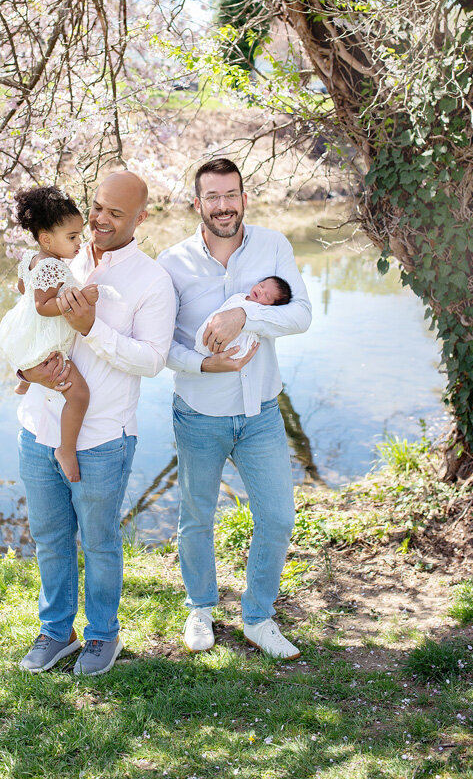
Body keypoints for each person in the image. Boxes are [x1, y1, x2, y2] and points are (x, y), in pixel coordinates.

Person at [16, 171, 176, 677]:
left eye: (116, 214)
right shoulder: (62, 253)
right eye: (98, 207)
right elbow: (26, 322)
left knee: (100, 541)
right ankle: (56, 631)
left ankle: (102, 635)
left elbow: (152, 360)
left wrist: (92, 328)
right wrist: (23, 369)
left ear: (140, 219)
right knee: (49, 536)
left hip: (102, 436)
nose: (100, 221)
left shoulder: (152, 281)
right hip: (38, 427)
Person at [158, 157, 312, 660]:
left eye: (232, 195)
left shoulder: (273, 246)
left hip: (262, 411)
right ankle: (200, 608)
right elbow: (162, 347)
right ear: (197, 204)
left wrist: (242, 311)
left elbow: (301, 315)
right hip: (199, 411)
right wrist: (205, 368)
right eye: (213, 197)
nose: (223, 206)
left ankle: (257, 616)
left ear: (244, 198)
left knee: (278, 516)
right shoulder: (171, 264)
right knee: (197, 517)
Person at [0, 186, 100, 483]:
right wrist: (79, 299)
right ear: (46, 239)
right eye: (72, 237)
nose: (80, 242)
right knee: (79, 395)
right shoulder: (53, 265)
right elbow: (43, 306)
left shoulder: (31, 257)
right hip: (45, 342)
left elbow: (22, 289)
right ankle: (66, 450)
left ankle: (23, 384)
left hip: (25, 334)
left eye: (79, 235)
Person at [194, 275, 292, 359]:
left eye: (267, 296)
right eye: (261, 285)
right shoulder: (239, 297)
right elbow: (223, 310)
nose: (261, 291)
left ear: (270, 306)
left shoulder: (259, 311)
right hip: (213, 330)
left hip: (232, 348)